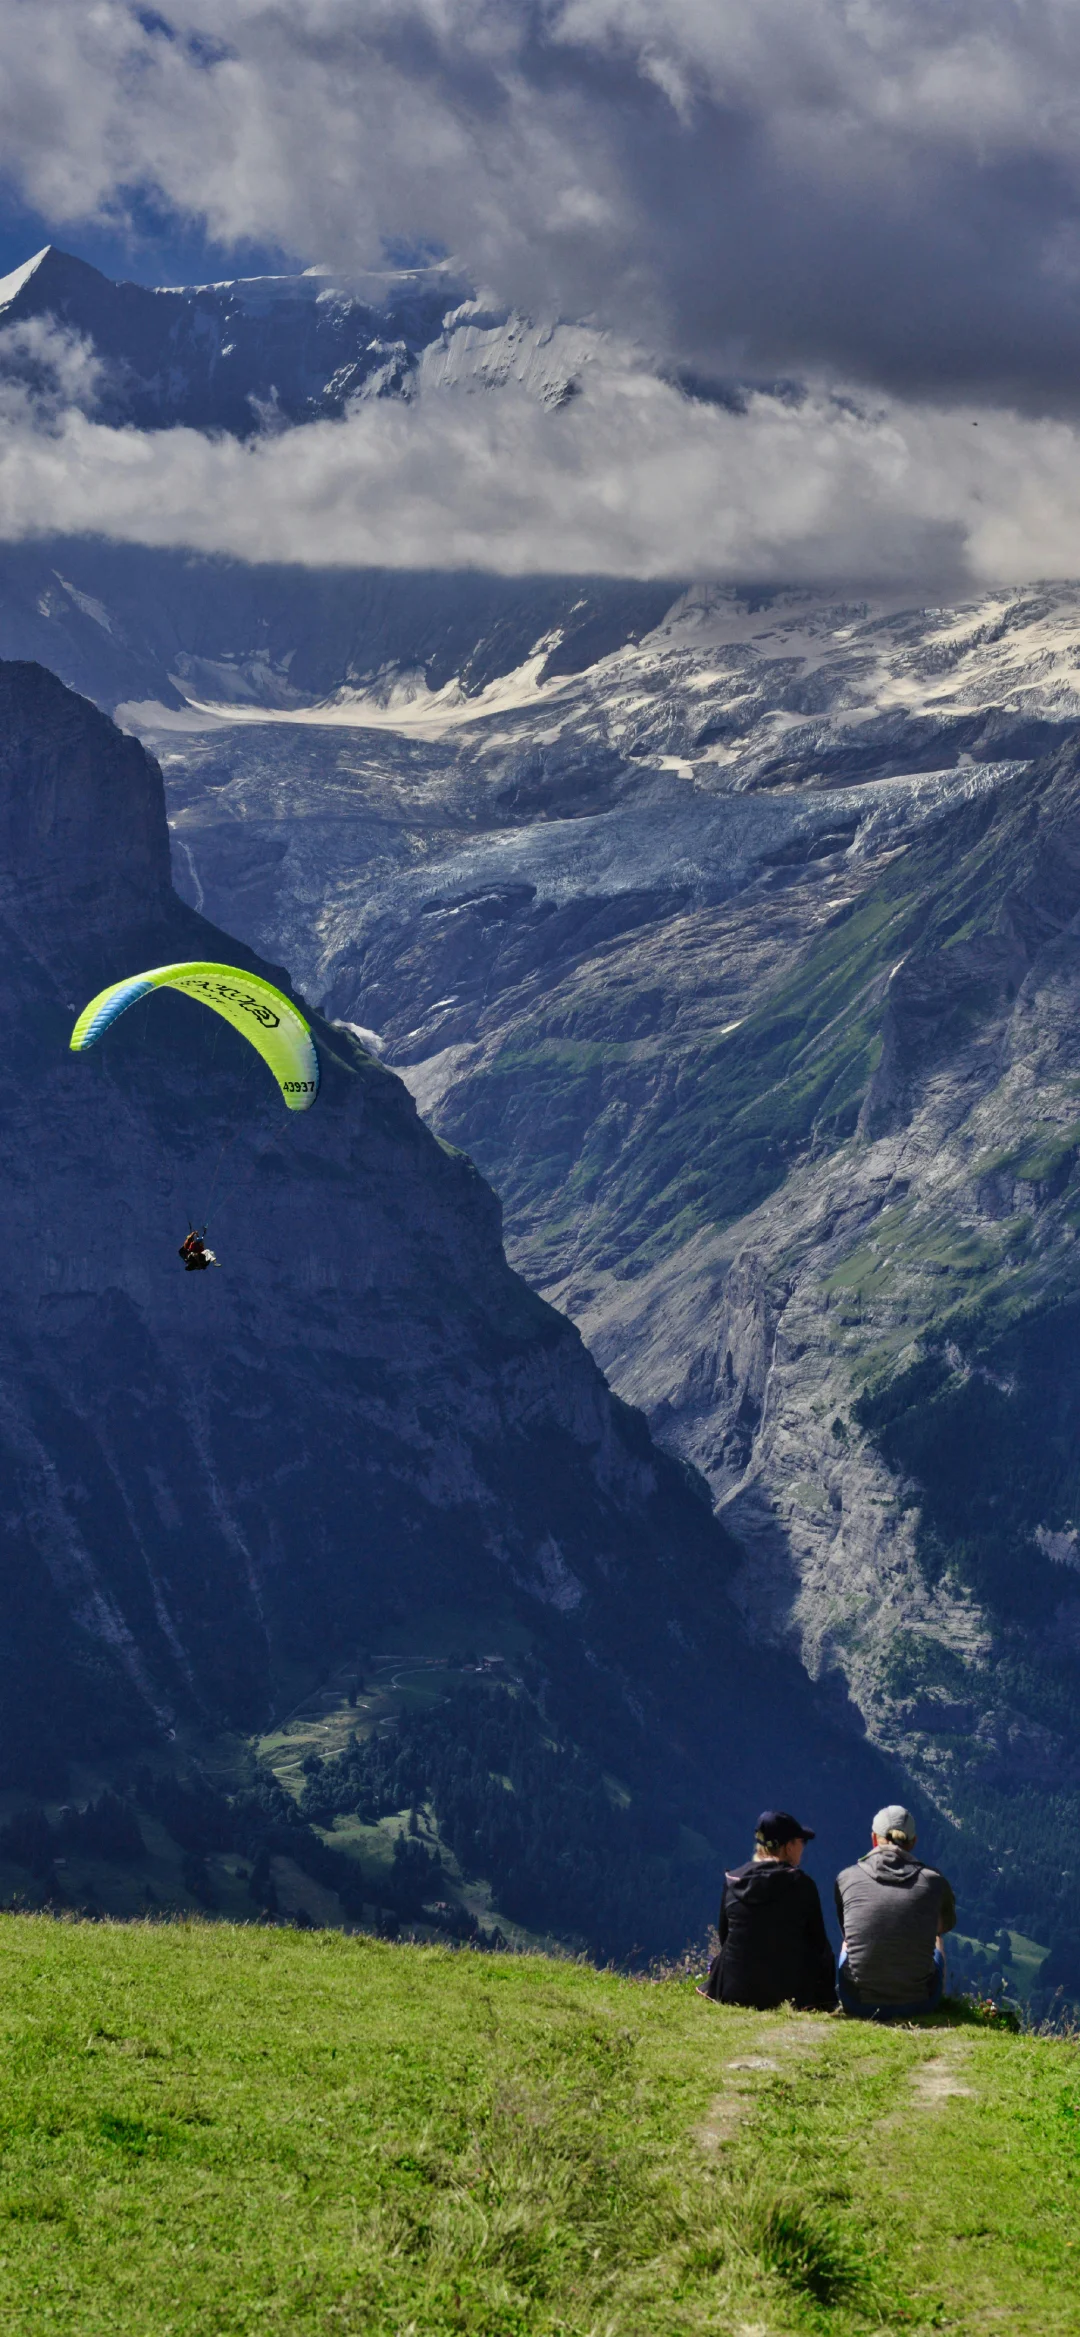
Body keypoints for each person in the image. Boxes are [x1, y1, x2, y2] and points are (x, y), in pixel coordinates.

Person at [700, 1808, 836, 2011]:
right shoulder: (802, 1885)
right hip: (787, 1993)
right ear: (788, 1847)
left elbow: (725, 1936)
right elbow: (818, 1945)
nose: (803, 1847)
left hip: (733, 1989)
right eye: (801, 1842)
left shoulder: (733, 1880)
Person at [834, 1804, 955, 2020]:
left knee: (848, 1943)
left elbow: (847, 1930)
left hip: (857, 2002)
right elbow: (944, 1925)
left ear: (874, 1838)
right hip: (918, 2004)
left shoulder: (846, 1878)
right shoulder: (934, 1881)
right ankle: (937, 2002)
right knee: (936, 1939)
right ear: (913, 1842)